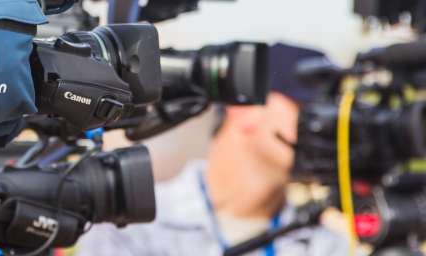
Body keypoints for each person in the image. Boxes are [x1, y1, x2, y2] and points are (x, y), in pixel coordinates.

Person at [76, 43, 349, 256]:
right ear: (244, 109)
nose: (324, 128)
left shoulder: (324, 244)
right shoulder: (131, 223)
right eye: (307, 111)